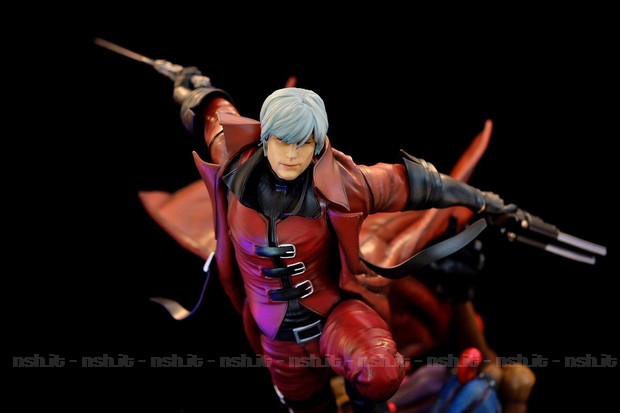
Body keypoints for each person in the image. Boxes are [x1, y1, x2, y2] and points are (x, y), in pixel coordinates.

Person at [161, 67, 516, 413]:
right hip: (277, 337)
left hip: (336, 315)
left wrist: (482, 200)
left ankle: (366, 403)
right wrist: (195, 88)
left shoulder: (343, 184)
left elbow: (419, 185)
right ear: (266, 137)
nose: (291, 155)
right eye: (283, 141)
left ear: (316, 145)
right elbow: (214, 114)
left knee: (381, 371)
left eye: (303, 143)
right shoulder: (235, 160)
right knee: (304, 406)